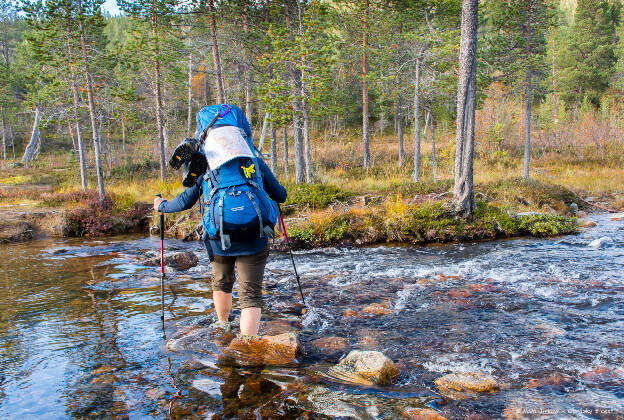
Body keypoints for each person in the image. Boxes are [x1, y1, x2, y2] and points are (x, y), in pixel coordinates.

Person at [153, 145, 287, 338]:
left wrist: (162, 206)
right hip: (254, 237)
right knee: (251, 294)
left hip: (219, 239)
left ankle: (223, 326)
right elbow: (281, 195)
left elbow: (185, 201)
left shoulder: (206, 166)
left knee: (222, 282)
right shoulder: (255, 163)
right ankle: (247, 345)